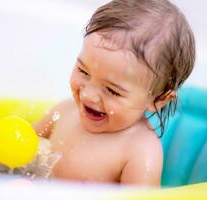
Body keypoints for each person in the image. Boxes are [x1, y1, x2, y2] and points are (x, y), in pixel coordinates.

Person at [34, 0, 195, 186]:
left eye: (112, 90)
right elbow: (22, 151)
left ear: (158, 100)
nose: (88, 95)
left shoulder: (139, 152)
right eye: (84, 71)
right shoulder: (63, 112)